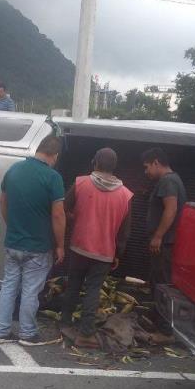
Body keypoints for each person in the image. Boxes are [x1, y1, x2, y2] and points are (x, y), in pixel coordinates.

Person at [0, 135, 66, 346]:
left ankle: (1, 331)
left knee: (8, 287)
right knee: (30, 291)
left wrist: (12, 225)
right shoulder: (53, 178)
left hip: (13, 243)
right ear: (54, 156)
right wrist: (60, 245)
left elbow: (2, 201)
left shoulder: (14, 170)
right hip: (38, 246)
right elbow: (58, 215)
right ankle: (27, 334)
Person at [60, 148, 133, 348]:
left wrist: (73, 220)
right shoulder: (126, 195)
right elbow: (124, 231)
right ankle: (85, 333)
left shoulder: (80, 183)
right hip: (105, 253)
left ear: (95, 162)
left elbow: (63, 208)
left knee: (73, 284)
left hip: (79, 247)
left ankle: (65, 322)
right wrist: (118, 253)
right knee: (93, 290)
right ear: (114, 167)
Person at [142, 147, 187, 342]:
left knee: (162, 285)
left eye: (147, 167)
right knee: (157, 281)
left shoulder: (168, 181)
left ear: (156, 162)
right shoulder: (169, 180)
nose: (146, 172)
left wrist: (158, 236)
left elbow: (171, 209)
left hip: (165, 243)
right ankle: (157, 317)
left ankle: (165, 330)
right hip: (165, 242)